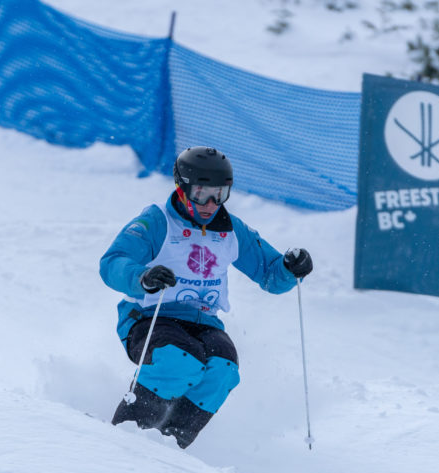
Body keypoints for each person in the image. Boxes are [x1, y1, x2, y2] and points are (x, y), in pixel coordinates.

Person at [99, 146, 313, 449]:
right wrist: (141, 277)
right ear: (183, 188)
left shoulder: (231, 230)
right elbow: (113, 262)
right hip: (150, 316)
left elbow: (270, 274)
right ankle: (125, 435)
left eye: (220, 194)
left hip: (204, 320)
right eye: (201, 193)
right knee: (179, 359)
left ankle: (171, 444)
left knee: (223, 369)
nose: (210, 204)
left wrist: (291, 269)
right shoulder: (157, 221)